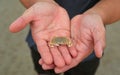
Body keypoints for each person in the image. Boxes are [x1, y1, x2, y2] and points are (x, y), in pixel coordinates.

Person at [9, 0, 120, 75]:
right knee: (44, 69)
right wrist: (40, 1)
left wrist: (99, 13)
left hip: (86, 43)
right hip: (44, 36)